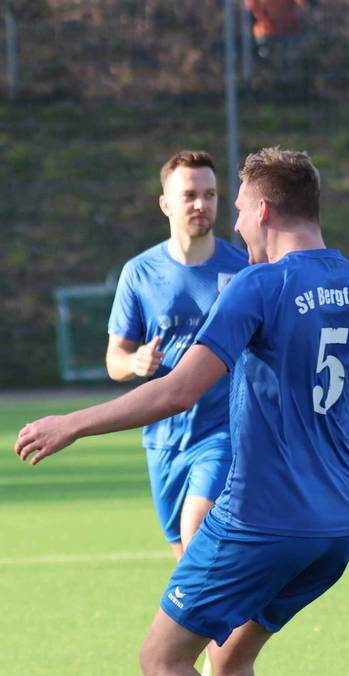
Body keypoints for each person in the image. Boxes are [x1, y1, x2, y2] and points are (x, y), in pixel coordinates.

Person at [16, 147, 349, 676]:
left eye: (236, 209)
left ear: (262, 210)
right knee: (229, 658)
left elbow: (174, 392)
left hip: (261, 517)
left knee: (162, 659)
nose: (232, 222)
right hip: (337, 525)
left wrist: (73, 422)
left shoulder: (259, 285)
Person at [106, 150, 247, 562]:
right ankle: (220, 628)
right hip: (163, 439)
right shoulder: (140, 272)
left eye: (211, 194)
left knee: (198, 529)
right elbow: (115, 360)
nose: (202, 204)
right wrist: (134, 364)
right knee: (186, 559)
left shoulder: (243, 269)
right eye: (189, 195)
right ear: (166, 204)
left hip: (223, 432)